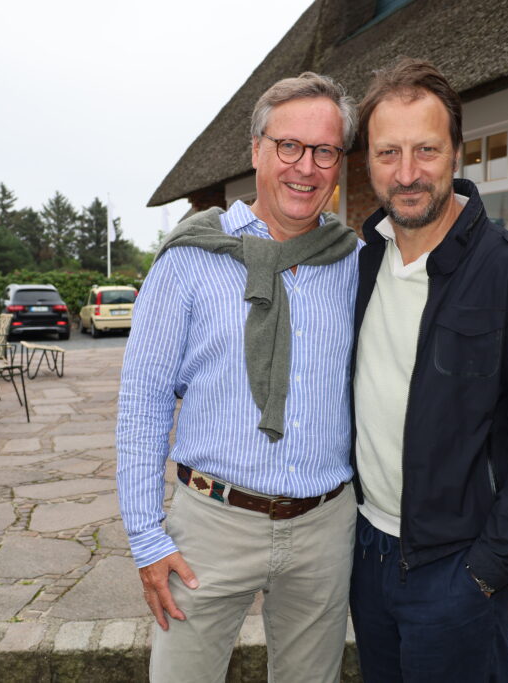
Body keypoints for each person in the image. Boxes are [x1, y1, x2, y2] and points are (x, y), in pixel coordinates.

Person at [116, 71, 360, 683]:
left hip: (324, 527)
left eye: (324, 151)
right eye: (289, 146)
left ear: (339, 163)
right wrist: (147, 537)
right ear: (256, 149)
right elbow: (144, 402)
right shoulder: (189, 259)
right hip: (210, 527)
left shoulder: (356, 263)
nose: (305, 167)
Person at [349, 57, 508, 682]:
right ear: (368, 161)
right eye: (388, 153)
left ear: (456, 151)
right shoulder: (360, 266)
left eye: (425, 150)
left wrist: (489, 569)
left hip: (458, 568)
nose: (407, 173)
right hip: (366, 554)